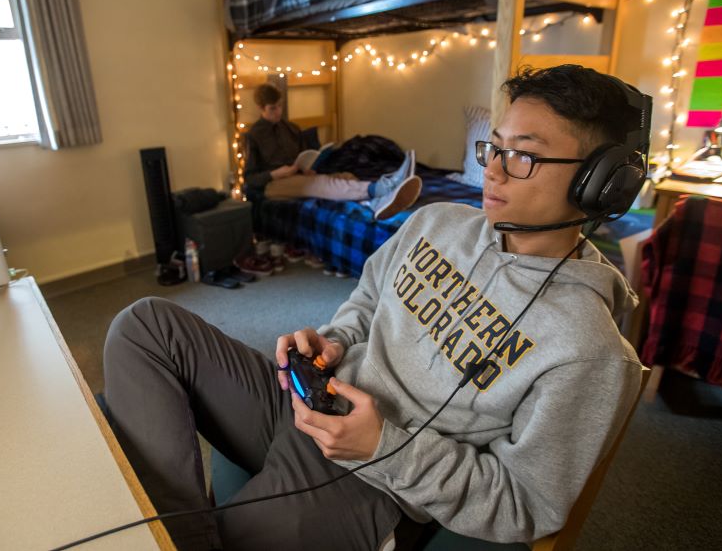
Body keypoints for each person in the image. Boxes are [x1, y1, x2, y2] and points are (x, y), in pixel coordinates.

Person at [102, 65, 645, 551]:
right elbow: (366, 300)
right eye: (492, 148)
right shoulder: (437, 222)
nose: (494, 172)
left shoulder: (586, 348)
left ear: (596, 183)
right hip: (305, 400)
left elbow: (526, 504)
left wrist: (384, 444)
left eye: (522, 155)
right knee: (144, 324)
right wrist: (335, 339)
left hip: (370, 480)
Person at [243, 83, 422, 221]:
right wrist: (275, 174)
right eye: (272, 108)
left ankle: (373, 204)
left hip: (297, 176)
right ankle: (384, 187)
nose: (278, 112)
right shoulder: (253, 135)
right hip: (274, 185)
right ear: (261, 108)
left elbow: (302, 156)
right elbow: (250, 179)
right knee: (321, 183)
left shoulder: (290, 128)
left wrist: (306, 167)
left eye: (280, 106)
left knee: (346, 177)